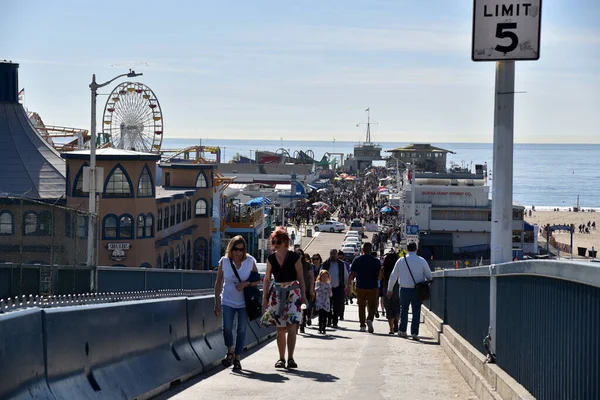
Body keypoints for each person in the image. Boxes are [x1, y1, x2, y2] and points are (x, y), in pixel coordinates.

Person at [261, 227, 307, 369]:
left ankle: (291, 358)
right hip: (277, 294)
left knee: (292, 326)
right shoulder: (270, 259)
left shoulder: (294, 257)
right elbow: (267, 279)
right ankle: (281, 358)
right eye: (273, 240)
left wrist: (304, 296)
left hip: (293, 293)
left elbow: (300, 277)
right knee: (280, 329)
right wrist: (264, 298)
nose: (275, 243)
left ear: (285, 241)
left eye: (278, 241)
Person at [214, 235, 260, 370]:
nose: (238, 252)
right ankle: (230, 350)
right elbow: (218, 282)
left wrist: (246, 284)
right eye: (235, 249)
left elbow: (257, 279)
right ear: (231, 249)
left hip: (244, 303)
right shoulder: (224, 261)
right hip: (227, 300)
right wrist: (216, 301)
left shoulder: (250, 261)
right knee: (227, 328)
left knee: (241, 330)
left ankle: (238, 358)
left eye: (241, 250)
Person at [387, 242, 433, 340]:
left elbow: (393, 276)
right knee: (416, 311)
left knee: (403, 310)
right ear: (416, 249)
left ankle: (402, 331)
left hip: (403, 289)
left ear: (407, 249)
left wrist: (389, 289)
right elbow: (429, 276)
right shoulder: (422, 260)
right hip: (417, 290)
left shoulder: (401, 260)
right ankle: (414, 333)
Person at [346, 242, 382, 333]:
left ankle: (362, 325)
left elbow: (352, 273)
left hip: (360, 286)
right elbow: (379, 276)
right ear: (371, 250)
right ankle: (370, 319)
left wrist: (348, 285)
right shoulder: (376, 261)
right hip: (373, 286)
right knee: (372, 305)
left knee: (361, 306)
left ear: (362, 249)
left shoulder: (357, 259)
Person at [322, 249, 349, 328]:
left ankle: (335, 321)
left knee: (338, 305)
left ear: (337, 255)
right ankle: (329, 320)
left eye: (334, 254)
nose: (333, 255)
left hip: (339, 287)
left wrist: (347, 286)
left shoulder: (341, 264)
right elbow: (321, 275)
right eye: (332, 254)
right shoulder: (325, 264)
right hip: (327, 288)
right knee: (328, 305)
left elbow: (346, 276)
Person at [296, 248, 315, 333]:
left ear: (303, 255)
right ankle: (295, 326)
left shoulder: (307, 265)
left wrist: (311, 289)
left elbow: (311, 278)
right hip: (294, 290)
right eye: (296, 254)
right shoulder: (291, 264)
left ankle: (302, 325)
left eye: (300, 254)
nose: (298, 255)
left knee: (304, 309)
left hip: (305, 289)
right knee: (295, 309)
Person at [382, 250, 400, 334]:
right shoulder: (398, 267)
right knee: (396, 306)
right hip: (397, 287)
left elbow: (379, 277)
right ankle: (396, 321)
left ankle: (391, 329)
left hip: (386, 287)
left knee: (388, 307)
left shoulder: (384, 268)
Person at [314, 269, 333, 334]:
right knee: (320, 315)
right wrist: (321, 286)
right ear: (320, 277)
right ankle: (320, 328)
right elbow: (316, 290)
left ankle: (324, 328)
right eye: (323, 276)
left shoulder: (329, 285)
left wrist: (329, 291)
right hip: (319, 301)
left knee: (325, 316)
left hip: (326, 302)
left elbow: (331, 295)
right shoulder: (318, 283)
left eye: (326, 276)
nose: (324, 278)